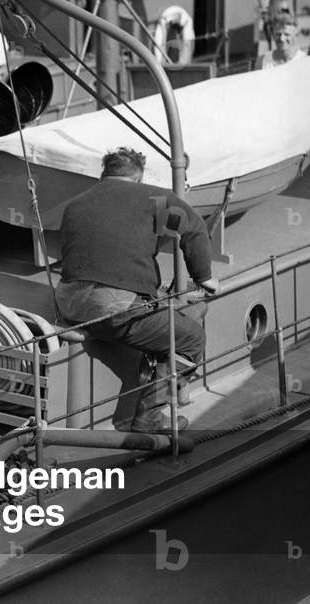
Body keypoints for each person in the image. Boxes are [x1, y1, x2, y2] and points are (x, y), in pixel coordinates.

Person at [57, 147, 219, 433]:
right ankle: (150, 419)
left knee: (144, 314)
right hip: (114, 307)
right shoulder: (153, 198)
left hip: (69, 303)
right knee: (191, 339)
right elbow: (194, 229)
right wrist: (203, 277)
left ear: (104, 174)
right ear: (138, 177)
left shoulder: (75, 204)